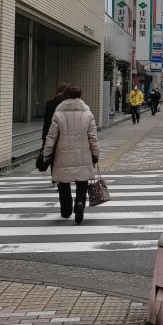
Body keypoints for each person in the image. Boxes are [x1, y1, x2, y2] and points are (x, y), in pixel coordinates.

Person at [43, 85, 99, 225]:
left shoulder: (58, 114)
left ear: (66, 97)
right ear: (80, 96)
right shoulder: (88, 114)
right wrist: (95, 154)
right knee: (82, 183)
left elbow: (51, 137)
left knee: (63, 183)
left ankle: (66, 210)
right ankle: (79, 203)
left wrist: (47, 153)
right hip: (83, 153)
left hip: (63, 154)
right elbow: (93, 137)